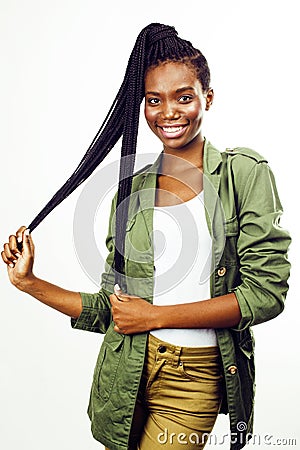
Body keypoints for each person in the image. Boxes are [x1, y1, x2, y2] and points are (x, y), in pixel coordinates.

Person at [1, 23, 291, 450]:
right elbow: (111, 309)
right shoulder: (131, 190)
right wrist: (28, 283)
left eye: (184, 97)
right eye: (154, 100)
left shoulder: (244, 174)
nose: (168, 112)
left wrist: (155, 316)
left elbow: (266, 294)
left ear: (208, 98)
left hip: (195, 378)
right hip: (125, 374)